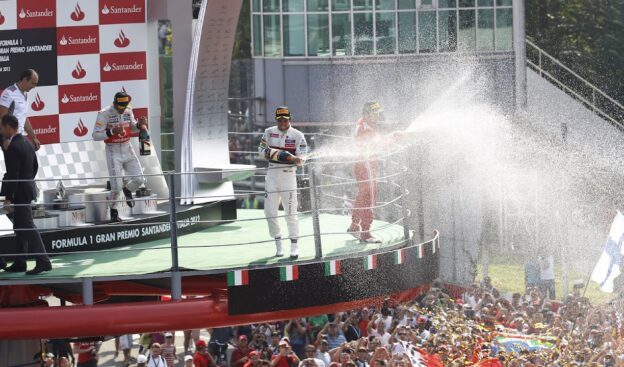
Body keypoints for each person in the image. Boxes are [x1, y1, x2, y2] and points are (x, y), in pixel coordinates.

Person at [0, 114, 51, 274]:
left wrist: (8, 198)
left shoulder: (13, 147)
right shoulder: (28, 143)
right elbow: (35, 166)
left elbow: (13, 174)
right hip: (27, 188)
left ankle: (43, 260)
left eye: (1, 127)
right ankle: (21, 261)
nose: (1, 130)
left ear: (8, 127)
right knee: (20, 226)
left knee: (26, 226)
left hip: (20, 191)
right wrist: (27, 182)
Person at [258, 106, 307, 259]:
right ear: (276, 119)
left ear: (289, 119)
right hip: (271, 174)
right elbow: (260, 152)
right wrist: (281, 155)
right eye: (279, 119)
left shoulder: (298, 135)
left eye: (285, 119)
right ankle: (278, 242)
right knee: (270, 213)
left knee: (291, 213)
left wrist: (295, 160)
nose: (282, 122)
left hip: (288, 176)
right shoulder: (268, 132)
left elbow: (302, 158)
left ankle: (294, 245)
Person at [92, 91, 148, 222]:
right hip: (113, 150)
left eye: (125, 106)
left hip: (127, 147)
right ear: (115, 103)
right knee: (116, 186)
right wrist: (112, 131)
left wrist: (139, 125)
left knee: (140, 179)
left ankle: (127, 190)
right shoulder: (104, 113)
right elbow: (95, 135)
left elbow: (132, 128)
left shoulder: (128, 110)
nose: (123, 109)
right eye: (120, 107)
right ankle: (114, 211)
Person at [347, 102, 384, 243]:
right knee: (369, 195)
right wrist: (393, 140)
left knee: (362, 194)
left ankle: (355, 225)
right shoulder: (366, 127)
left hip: (363, 164)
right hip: (366, 165)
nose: (378, 116)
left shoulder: (363, 123)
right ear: (367, 114)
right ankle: (366, 233)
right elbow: (376, 144)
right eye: (376, 113)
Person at [0, 69, 41, 150]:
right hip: (11, 139)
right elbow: (2, 118)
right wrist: (7, 139)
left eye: (35, 84)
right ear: (25, 80)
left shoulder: (25, 93)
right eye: (32, 83)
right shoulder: (9, 93)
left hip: (20, 137)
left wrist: (34, 138)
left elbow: (24, 118)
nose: (34, 87)